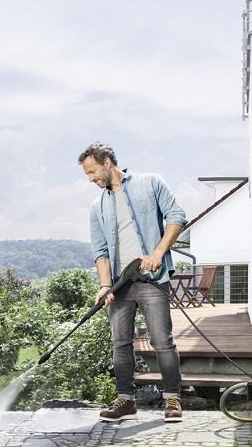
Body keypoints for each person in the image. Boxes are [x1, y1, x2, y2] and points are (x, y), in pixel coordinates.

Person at [80, 141, 187, 423]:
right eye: (88, 175)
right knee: (120, 342)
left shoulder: (150, 183)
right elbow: (100, 250)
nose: (91, 179)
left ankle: (172, 398)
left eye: (92, 172)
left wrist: (158, 253)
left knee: (162, 341)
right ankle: (126, 401)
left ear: (107, 163)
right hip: (120, 283)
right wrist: (105, 286)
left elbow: (177, 216)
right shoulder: (97, 206)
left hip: (152, 279)